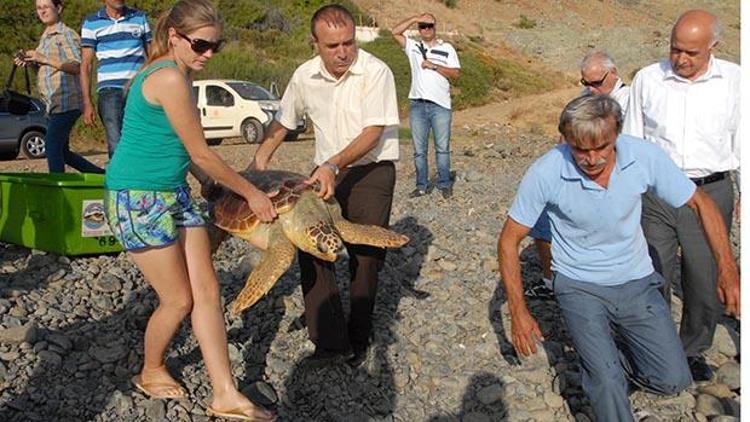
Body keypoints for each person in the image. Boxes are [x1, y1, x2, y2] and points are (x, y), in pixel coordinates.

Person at [498, 94, 739, 421]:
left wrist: (728, 270)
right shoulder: (546, 171)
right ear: (566, 139)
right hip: (579, 285)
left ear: (617, 136)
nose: (592, 159)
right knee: (608, 382)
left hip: (636, 279)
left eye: (603, 148)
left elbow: (701, 203)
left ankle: (600, 362)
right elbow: (509, 240)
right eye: (580, 149)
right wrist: (518, 311)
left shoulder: (642, 156)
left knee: (673, 379)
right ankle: (602, 373)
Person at [103, 1, 275, 420]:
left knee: (208, 292)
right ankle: (151, 369)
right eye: (201, 45)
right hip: (137, 197)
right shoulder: (167, 78)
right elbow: (201, 148)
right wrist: (251, 193)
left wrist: (201, 176)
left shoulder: (179, 72)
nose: (209, 54)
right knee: (178, 299)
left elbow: (181, 146)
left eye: (216, 46)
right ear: (175, 37)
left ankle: (225, 394)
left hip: (173, 193)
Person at [250, 4, 400, 369]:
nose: (343, 52)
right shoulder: (304, 76)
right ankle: (331, 342)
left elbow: (373, 132)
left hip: (371, 171)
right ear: (314, 43)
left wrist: (334, 164)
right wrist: (257, 165)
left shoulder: (375, 71)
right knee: (311, 249)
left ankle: (359, 337)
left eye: (348, 42)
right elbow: (283, 122)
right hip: (323, 175)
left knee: (366, 255)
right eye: (332, 45)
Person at [623, 9, 740, 382]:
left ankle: (693, 350)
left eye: (692, 52)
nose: (682, 59)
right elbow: (632, 141)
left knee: (704, 278)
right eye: (676, 50)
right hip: (658, 194)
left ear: (713, 47)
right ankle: (655, 347)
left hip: (712, 189)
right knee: (653, 271)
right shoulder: (648, 79)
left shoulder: (737, 81)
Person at [527, 50, 629, 299]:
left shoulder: (629, 100)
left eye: (597, 82)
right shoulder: (585, 98)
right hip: (575, 171)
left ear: (613, 73)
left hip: (611, 178)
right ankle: (551, 280)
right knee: (544, 219)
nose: (592, 89)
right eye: (586, 83)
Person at [14, 0, 104, 174]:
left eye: (46, 7)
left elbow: (78, 66)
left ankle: (57, 187)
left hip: (67, 102)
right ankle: (101, 176)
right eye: (39, 8)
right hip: (52, 105)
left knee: (51, 145)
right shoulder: (45, 37)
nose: (42, 11)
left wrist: (43, 58)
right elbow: (46, 71)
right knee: (63, 152)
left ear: (59, 8)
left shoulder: (66, 35)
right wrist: (30, 62)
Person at [391, 12, 460, 199]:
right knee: (419, 150)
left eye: (429, 25)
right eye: (422, 26)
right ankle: (422, 186)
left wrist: (434, 66)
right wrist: (414, 18)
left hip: (441, 106)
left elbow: (455, 74)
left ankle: (444, 183)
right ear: (418, 28)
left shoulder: (447, 48)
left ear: (435, 27)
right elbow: (395, 32)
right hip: (417, 106)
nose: (426, 29)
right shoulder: (413, 46)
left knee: (442, 148)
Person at [81, 0, 152, 158]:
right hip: (109, 91)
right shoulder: (91, 23)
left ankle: (144, 179)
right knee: (116, 141)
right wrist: (87, 102)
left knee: (143, 137)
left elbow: (153, 55)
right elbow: (86, 65)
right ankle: (120, 181)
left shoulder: (139, 18)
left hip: (138, 88)